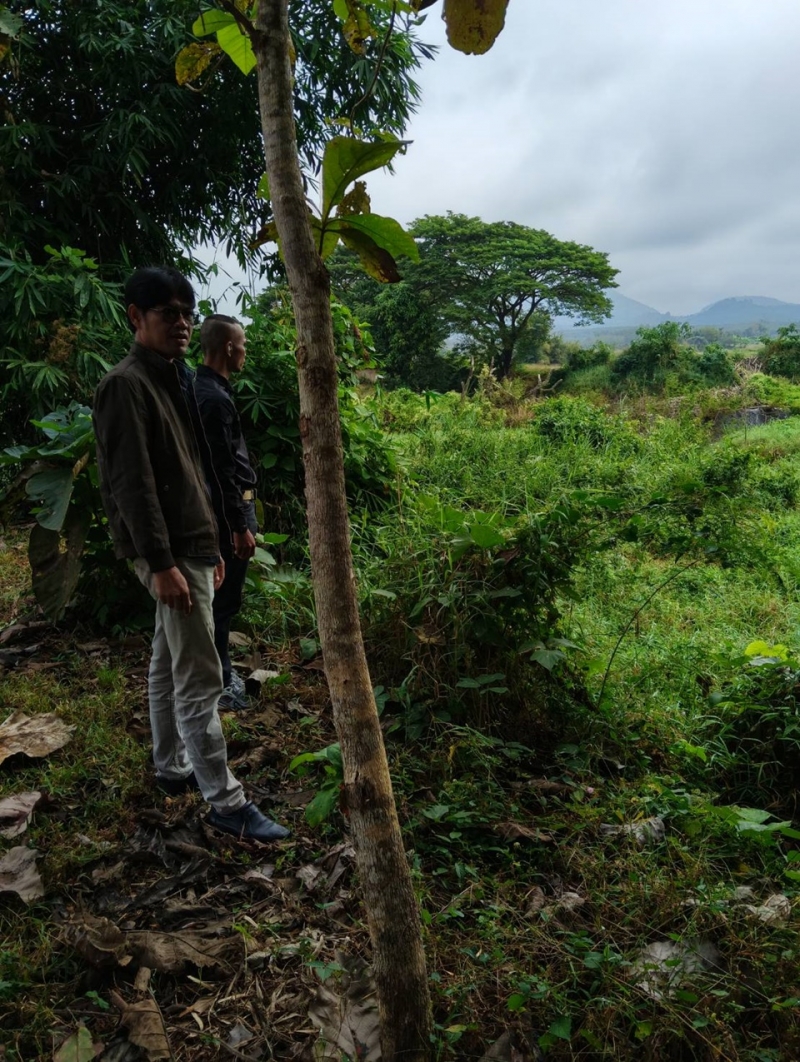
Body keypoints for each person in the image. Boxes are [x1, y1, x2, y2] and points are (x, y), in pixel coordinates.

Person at [92, 266, 289, 843]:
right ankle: (226, 802)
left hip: (189, 544)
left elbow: (195, 471)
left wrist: (210, 543)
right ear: (136, 316)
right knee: (200, 674)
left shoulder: (174, 378)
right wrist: (162, 564)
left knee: (165, 657)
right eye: (167, 313)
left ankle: (171, 765)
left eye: (186, 312)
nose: (180, 323)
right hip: (170, 549)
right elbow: (132, 485)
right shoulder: (126, 385)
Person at [194, 314, 257, 712]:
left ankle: (220, 671)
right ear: (229, 347)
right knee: (222, 599)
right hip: (228, 512)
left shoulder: (203, 389)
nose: (245, 351)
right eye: (243, 345)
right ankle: (219, 681)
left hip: (226, 508)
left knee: (221, 598)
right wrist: (238, 525)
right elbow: (221, 470)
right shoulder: (213, 399)